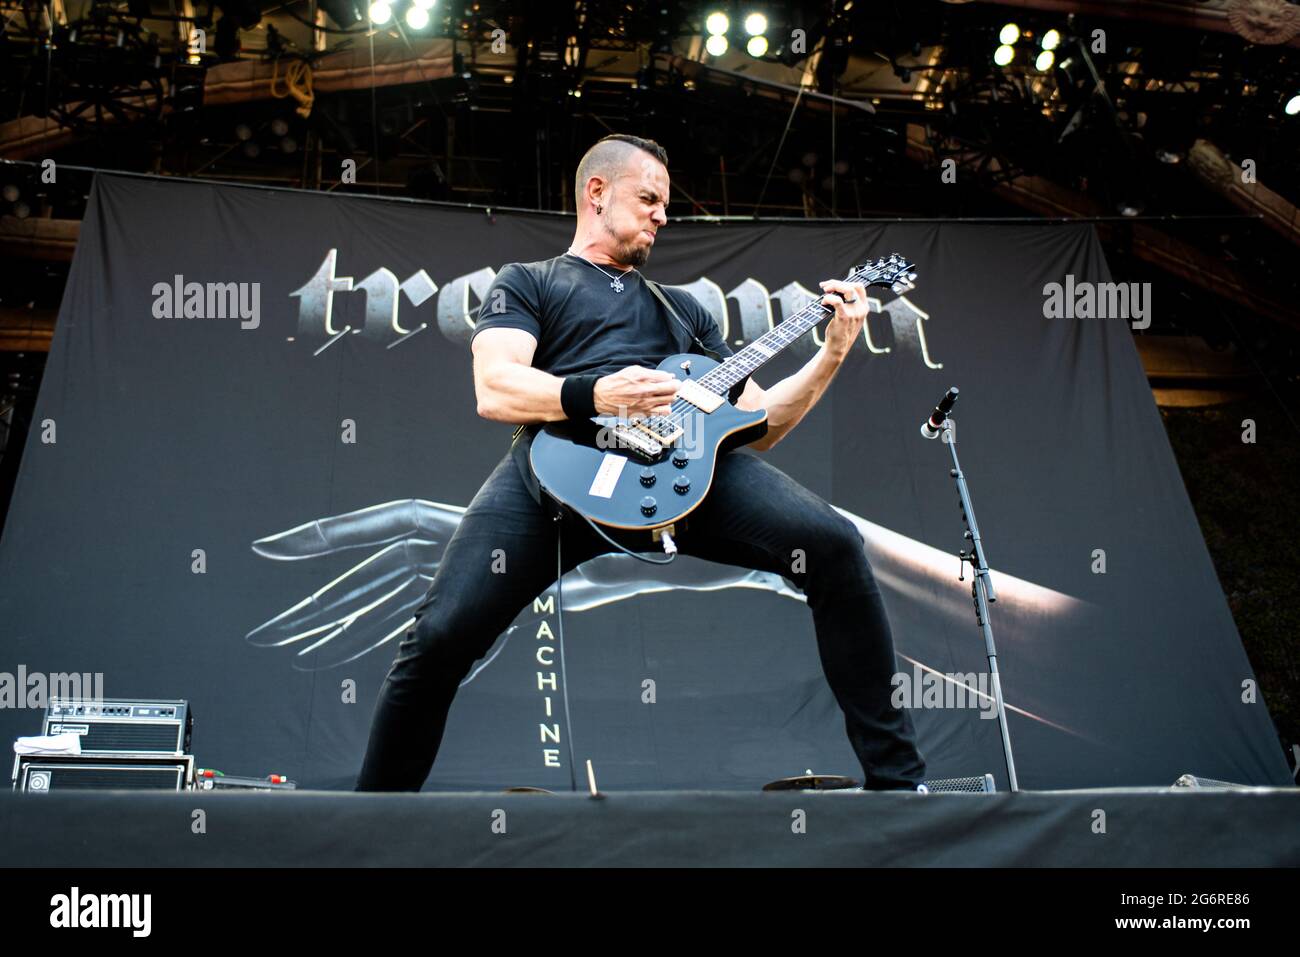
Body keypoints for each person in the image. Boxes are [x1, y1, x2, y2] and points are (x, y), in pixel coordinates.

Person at [355, 133, 927, 791]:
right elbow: (497, 388)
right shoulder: (530, 283)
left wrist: (830, 353)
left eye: (665, 204)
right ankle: (373, 821)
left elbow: (761, 425)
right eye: (649, 198)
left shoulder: (685, 312)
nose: (662, 214)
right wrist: (595, 394)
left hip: (683, 471)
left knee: (834, 544)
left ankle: (899, 786)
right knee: (438, 636)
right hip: (557, 471)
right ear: (596, 194)